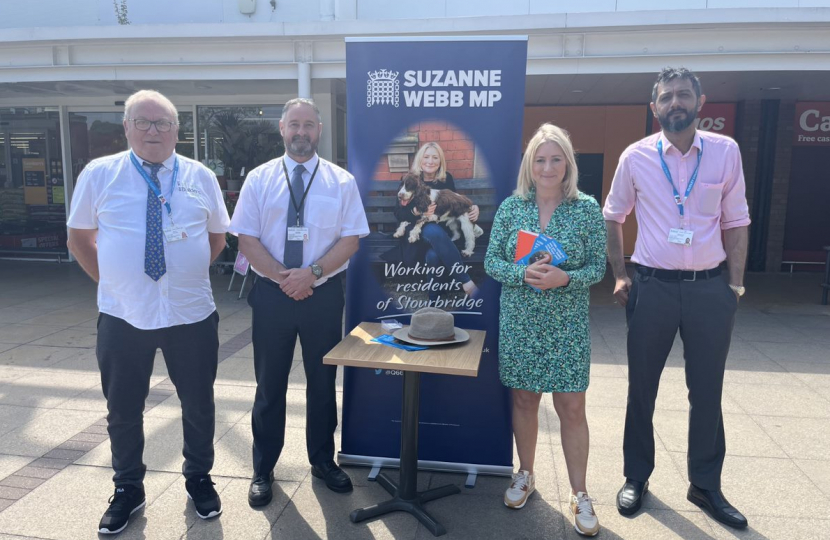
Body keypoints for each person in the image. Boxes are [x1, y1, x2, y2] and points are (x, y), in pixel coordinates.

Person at [66, 90, 230, 534]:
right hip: (123, 316)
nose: (153, 131)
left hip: (191, 313)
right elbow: (79, 239)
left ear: (178, 130)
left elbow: (216, 239)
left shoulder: (201, 176)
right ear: (127, 128)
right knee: (122, 409)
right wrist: (115, 283)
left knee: (198, 404)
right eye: (143, 122)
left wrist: (184, 272)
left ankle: (199, 477)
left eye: (163, 123)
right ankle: (128, 489)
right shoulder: (100, 174)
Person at [603, 67, 750, 529]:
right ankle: (636, 477)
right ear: (655, 107)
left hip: (710, 288)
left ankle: (705, 485)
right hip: (652, 288)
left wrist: (735, 286)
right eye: (666, 97)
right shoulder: (636, 156)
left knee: (707, 392)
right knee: (641, 389)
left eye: (683, 95)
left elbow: (737, 221)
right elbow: (613, 215)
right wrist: (621, 275)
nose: (675, 103)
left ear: (700, 101)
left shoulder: (726, 152)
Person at [229, 98, 369, 507]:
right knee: (269, 385)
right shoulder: (259, 179)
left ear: (319, 130)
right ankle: (263, 468)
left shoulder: (341, 181)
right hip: (273, 296)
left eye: (309, 125)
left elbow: (351, 240)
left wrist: (313, 274)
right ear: (282, 128)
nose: (301, 132)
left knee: (323, 384)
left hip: (323, 295)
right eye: (295, 124)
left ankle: (323, 462)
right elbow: (247, 238)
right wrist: (283, 278)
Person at [484, 123, 607, 537]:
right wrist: (523, 273)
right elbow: (491, 263)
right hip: (521, 320)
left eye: (556, 159)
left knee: (572, 407)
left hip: (566, 324)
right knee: (524, 400)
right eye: (540, 159)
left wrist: (565, 278)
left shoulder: (587, 209)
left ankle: (580, 492)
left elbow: (598, 267)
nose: (547, 167)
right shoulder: (511, 207)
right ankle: (526, 473)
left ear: (568, 163)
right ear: (529, 165)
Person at [392, 141, 480, 296]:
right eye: (426, 157)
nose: (430, 161)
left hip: (442, 235)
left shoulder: (446, 179)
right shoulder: (410, 179)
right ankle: (467, 282)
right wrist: (417, 213)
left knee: (433, 255)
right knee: (433, 231)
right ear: (420, 159)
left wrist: (473, 207)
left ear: (440, 162)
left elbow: (454, 205)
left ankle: (434, 303)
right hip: (415, 234)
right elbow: (399, 213)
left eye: (435, 157)